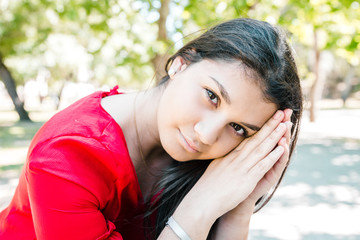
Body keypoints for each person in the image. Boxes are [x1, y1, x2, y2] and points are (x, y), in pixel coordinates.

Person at [0, 18, 302, 240]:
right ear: (180, 65)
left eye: (238, 127)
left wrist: (241, 202)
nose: (207, 135)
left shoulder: (212, 164)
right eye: (212, 96)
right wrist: (197, 211)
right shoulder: (66, 155)